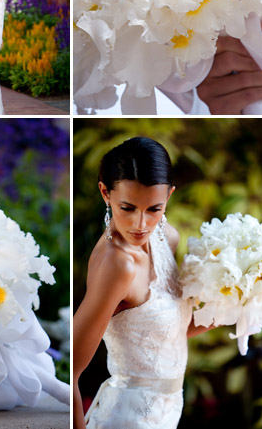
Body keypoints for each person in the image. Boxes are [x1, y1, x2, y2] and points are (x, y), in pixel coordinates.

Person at [73, 135, 210, 429]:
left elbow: (159, 336)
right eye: (128, 208)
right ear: (105, 193)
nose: (141, 224)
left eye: (153, 209)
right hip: (126, 419)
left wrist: (231, 307)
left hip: (168, 414)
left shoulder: (166, 236)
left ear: (169, 197)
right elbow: (72, 367)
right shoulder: (117, 265)